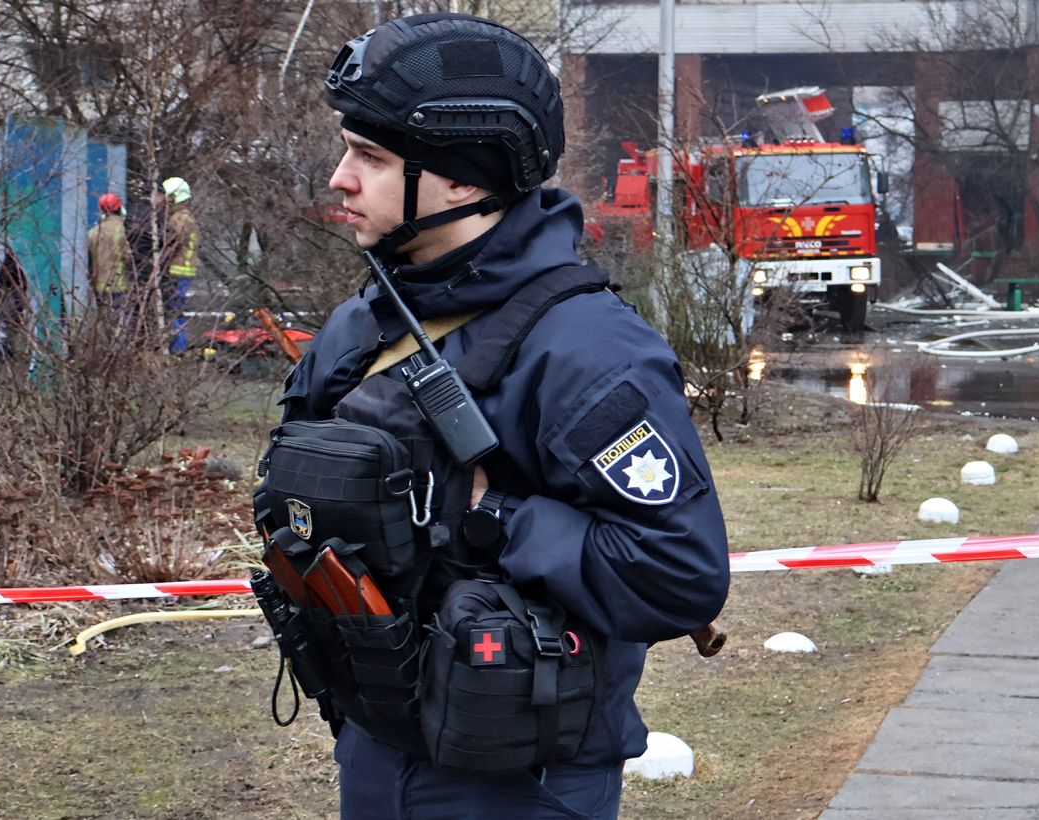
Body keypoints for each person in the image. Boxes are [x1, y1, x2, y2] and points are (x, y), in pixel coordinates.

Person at [273, 13, 729, 818]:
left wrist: (493, 514)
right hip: (379, 747)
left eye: (371, 157)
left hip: (525, 780)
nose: (340, 178)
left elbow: (678, 576)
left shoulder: (585, 349)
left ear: (464, 179)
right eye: (348, 149)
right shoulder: (365, 323)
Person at [158, 176, 198, 353]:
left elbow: (171, 244)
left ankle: (178, 350)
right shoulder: (186, 217)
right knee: (176, 312)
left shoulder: (178, 219)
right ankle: (179, 349)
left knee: (172, 313)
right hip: (183, 273)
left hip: (176, 273)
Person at [86, 193, 131, 314]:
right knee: (121, 321)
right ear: (119, 208)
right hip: (119, 284)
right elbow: (128, 257)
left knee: (105, 318)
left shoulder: (93, 232)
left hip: (100, 285)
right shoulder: (122, 229)